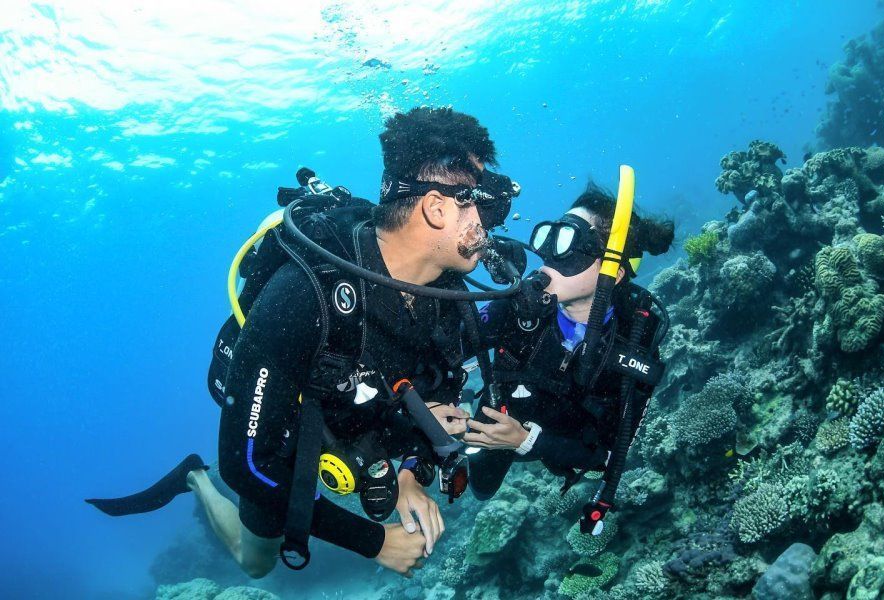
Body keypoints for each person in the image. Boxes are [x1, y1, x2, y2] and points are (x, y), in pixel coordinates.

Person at [86, 107, 520, 577]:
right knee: (256, 563)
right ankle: (194, 476)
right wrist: (372, 541)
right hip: (292, 433)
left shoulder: (445, 291)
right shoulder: (303, 296)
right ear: (436, 208)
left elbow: (440, 390)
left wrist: (410, 472)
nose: (491, 223)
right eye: (482, 203)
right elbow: (246, 465)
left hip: (360, 421)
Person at [463, 179, 674, 530]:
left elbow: (606, 455)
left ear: (614, 272)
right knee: (481, 487)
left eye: (570, 245)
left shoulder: (634, 339)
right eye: (550, 237)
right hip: (503, 413)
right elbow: (446, 345)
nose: (549, 256)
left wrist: (527, 440)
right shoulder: (521, 306)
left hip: (559, 436)